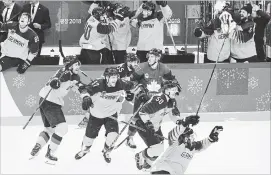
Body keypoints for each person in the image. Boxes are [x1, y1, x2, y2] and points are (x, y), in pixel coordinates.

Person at [29, 56, 83, 165]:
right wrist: (55, 82)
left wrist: (86, 91)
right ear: (70, 65)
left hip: (44, 100)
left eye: (79, 64)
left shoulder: (72, 75)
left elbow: (77, 87)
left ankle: (38, 146)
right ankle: (50, 153)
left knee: (49, 129)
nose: (79, 66)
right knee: (62, 128)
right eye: (76, 64)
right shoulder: (65, 72)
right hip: (51, 103)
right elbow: (58, 78)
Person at [74, 67, 135, 163]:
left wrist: (129, 93)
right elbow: (84, 91)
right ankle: (84, 150)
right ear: (106, 77)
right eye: (112, 77)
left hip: (111, 115)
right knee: (89, 139)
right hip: (96, 115)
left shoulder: (121, 83)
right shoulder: (98, 83)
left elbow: (131, 86)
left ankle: (106, 151)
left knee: (113, 136)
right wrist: (86, 97)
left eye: (115, 77)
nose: (114, 80)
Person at [125, 48, 180, 149]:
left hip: (156, 98)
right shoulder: (141, 67)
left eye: (152, 57)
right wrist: (138, 91)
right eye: (149, 56)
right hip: (142, 96)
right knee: (136, 118)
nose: (149, 58)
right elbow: (131, 81)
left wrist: (176, 85)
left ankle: (155, 137)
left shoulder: (164, 68)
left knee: (156, 118)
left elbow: (172, 80)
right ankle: (130, 137)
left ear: (158, 58)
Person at [77, 53, 139, 128]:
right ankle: (86, 119)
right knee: (100, 103)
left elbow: (124, 83)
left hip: (114, 87)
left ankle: (111, 120)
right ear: (128, 62)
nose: (136, 63)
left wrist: (127, 92)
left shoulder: (133, 69)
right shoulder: (122, 69)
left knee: (117, 105)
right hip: (106, 87)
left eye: (136, 61)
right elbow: (113, 80)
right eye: (134, 62)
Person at [134, 80, 182, 171]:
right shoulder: (159, 99)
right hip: (143, 125)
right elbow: (143, 112)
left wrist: (182, 122)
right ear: (166, 90)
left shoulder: (172, 101)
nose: (176, 92)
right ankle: (139, 155)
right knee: (157, 149)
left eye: (176, 90)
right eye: (174, 89)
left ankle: (147, 163)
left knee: (160, 148)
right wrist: (148, 123)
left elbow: (174, 115)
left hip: (155, 126)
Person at [150, 117, 223, 174]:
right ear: (183, 137)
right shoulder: (175, 143)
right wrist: (185, 123)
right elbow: (173, 134)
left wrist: (211, 138)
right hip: (162, 171)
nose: (192, 138)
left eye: (192, 136)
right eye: (189, 136)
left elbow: (202, 144)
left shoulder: (192, 147)